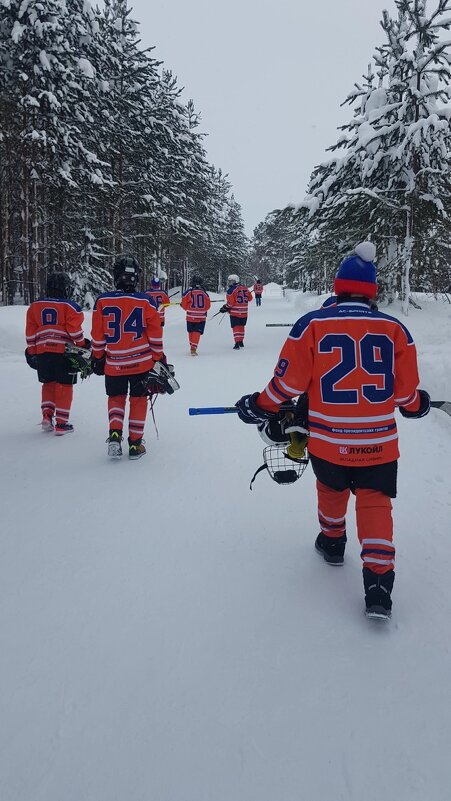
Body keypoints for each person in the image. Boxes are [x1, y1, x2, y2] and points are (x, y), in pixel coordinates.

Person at [235, 242, 430, 619]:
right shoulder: (395, 329)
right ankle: (378, 583)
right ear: (372, 289)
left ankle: (333, 541)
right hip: (379, 445)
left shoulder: (312, 324)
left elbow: (288, 384)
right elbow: (405, 394)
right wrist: (416, 404)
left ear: (337, 285)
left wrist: (260, 405)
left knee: (331, 490)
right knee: (375, 503)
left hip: (329, 441)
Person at [91, 254, 165, 460]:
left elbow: (98, 334)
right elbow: (155, 334)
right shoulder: (146, 301)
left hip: (114, 363)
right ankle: (135, 444)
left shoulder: (103, 301)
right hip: (141, 363)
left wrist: (98, 356)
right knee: (138, 400)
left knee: (116, 398)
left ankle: (115, 436)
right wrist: (158, 357)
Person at [25, 272, 88, 435]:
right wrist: (82, 345)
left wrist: (32, 351)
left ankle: (47, 416)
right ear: (65, 288)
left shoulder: (35, 306)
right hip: (63, 352)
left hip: (42, 351)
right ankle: (61, 423)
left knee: (48, 383)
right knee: (64, 386)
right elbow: (74, 331)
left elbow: (30, 332)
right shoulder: (70, 306)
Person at [220, 274, 253, 349]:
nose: (230, 283)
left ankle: (237, 343)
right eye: (229, 281)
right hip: (244, 312)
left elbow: (230, 303)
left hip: (235, 313)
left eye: (231, 281)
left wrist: (225, 307)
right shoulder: (245, 288)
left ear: (236, 281)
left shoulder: (231, 290)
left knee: (236, 327)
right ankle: (241, 341)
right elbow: (250, 298)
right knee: (241, 327)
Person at [180, 276, 211, 355]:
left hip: (190, 316)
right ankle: (193, 347)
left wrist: (186, 307)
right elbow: (208, 306)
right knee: (197, 331)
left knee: (191, 331)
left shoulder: (188, 292)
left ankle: (192, 345)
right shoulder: (204, 293)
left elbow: (184, 305)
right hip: (201, 317)